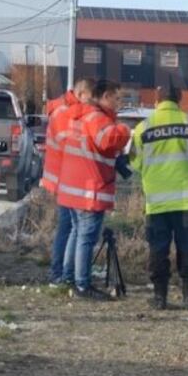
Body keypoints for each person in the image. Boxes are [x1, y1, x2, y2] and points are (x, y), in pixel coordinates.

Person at [130, 83, 188, 310]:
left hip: (156, 202)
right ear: (180, 100)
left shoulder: (142, 128)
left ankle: (159, 298)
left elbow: (134, 162)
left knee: (158, 247)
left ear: (156, 101)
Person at [56, 79, 131, 300]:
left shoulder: (79, 115)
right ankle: (82, 285)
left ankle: (69, 278)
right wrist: (125, 130)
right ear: (105, 96)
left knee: (77, 234)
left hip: (73, 187)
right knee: (86, 238)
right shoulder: (97, 117)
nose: (119, 103)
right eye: (117, 98)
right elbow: (108, 139)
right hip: (89, 189)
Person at [42, 78, 95, 287]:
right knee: (69, 227)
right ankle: (60, 274)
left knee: (69, 226)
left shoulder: (63, 109)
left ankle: (63, 273)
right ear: (80, 94)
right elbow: (73, 143)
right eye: (90, 99)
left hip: (61, 175)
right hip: (65, 177)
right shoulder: (66, 112)